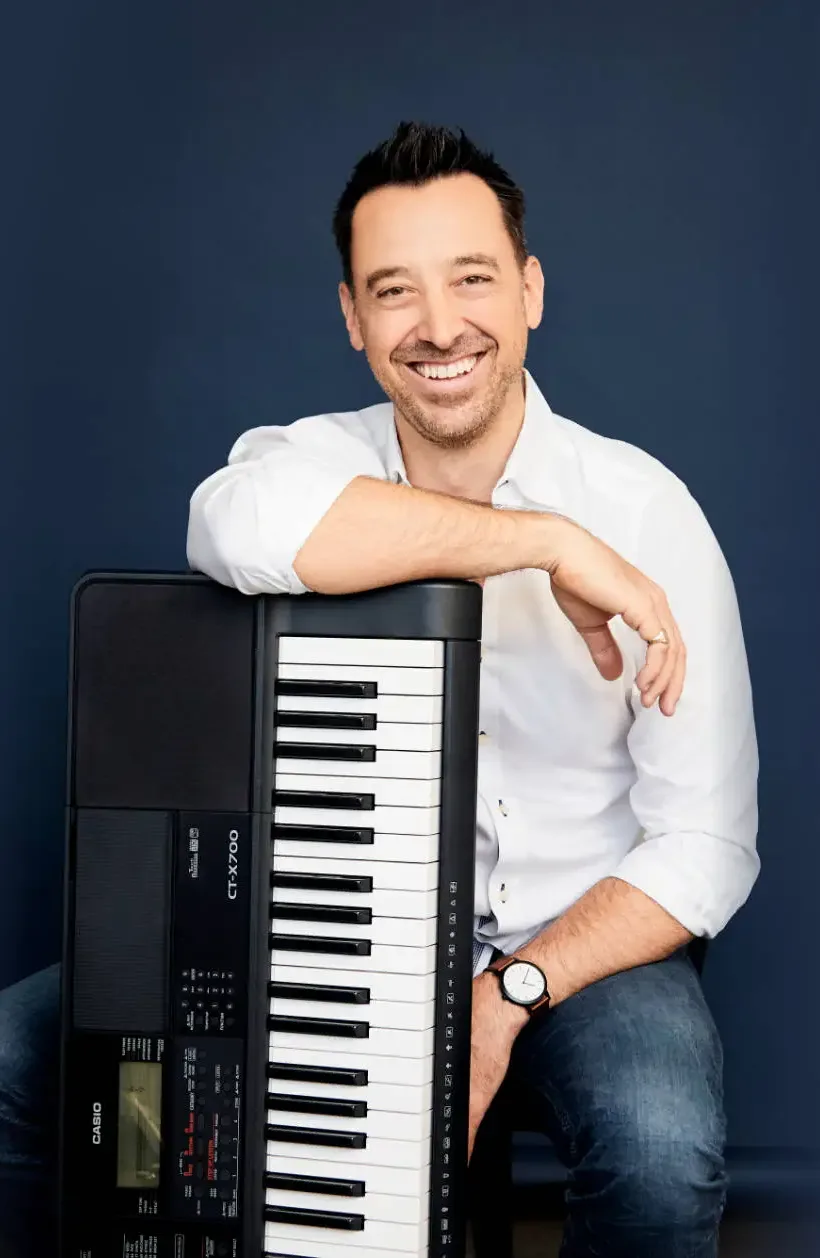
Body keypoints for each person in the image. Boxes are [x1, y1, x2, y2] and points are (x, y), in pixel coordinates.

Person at [187, 121, 759, 1257]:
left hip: (575, 946)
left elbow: (705, 842)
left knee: (657, 1149)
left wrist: (509, 991)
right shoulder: (309, 462)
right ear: (351, 318)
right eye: (394, 290)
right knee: (21, 1064)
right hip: (331, 934)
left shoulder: (648, 512)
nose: (439, 326)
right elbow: (229, 523)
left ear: (531, 290)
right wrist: (541, 541)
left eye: (472, 280)